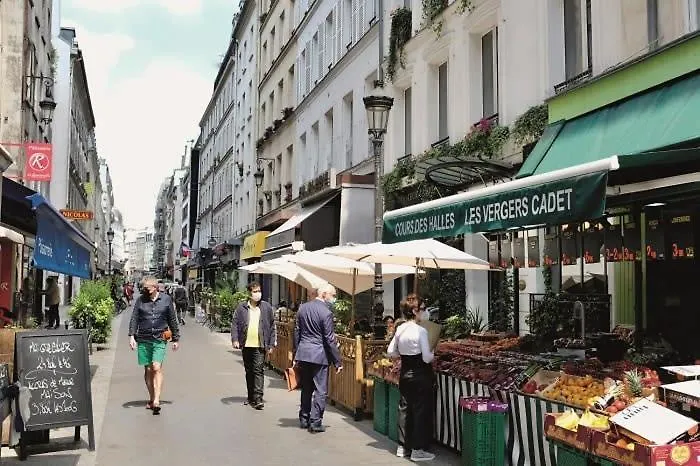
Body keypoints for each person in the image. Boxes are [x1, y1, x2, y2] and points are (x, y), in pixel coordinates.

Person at [387, 298, 435, 462]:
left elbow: (390, 352)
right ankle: (417, 449)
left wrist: (402, 355)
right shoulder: (421, 331)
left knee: (404, 408)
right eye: (422, 308)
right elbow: (427, 357)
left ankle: (402, 447)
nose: (424, 311)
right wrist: (433, 352)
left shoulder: (400, 329)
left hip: (405, 372)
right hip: (420, 373)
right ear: (415, 311)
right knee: (420, 410)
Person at [293, 283, 342, 433]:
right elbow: (329, 339)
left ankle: (304, 418)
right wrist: (337, 361)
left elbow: (297, 331)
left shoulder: (303, 308)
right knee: (320, 390)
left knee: (306, 388)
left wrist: (296, 352)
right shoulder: (326, 313)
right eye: (333, 295)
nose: (334, 298)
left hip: (304, 353)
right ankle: (315, 421)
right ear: (324, 294)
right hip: (319, 355)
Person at [128, 277, 180, 415]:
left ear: (155, 287)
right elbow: (134, 318)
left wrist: (176, 338)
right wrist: (132, 336)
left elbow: (172, 319)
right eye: (144, 288)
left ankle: (156, 400)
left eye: (147, 288)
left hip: (159, 338)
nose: (145, 290)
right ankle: (151, 398)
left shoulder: (166, 299)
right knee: (148, 369)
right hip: (143, 338)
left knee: (156, 367)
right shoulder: (141, 300)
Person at [231, 282, 276, 410]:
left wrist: (271, 344)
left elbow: (272, 326)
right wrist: (235, 339)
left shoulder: (266, 307)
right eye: (255, 291)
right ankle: (251, 397)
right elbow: (235, 324)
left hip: (260, 345)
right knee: (249, 371)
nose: (258, 294)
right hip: (246, 344)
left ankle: (258, 398)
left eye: (259, 291)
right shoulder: (242, 308)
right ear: (249, 293)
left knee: (258, 370)